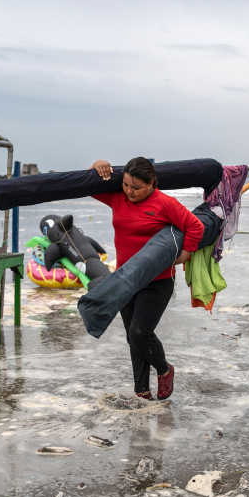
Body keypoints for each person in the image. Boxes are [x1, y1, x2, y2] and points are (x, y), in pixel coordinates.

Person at [90, 157, 204, 400]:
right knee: (133, 338)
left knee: (141, 332)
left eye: (136, 187)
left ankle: (164, 369)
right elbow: (89, 188)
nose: (129, 192)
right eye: (126, 185)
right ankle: (141, 391)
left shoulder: (165, 203)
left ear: (152, 184)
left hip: (157, 281)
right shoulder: (118, 197)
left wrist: (183, 255)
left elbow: (195, 227)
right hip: (125, 280)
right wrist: (95, 167)